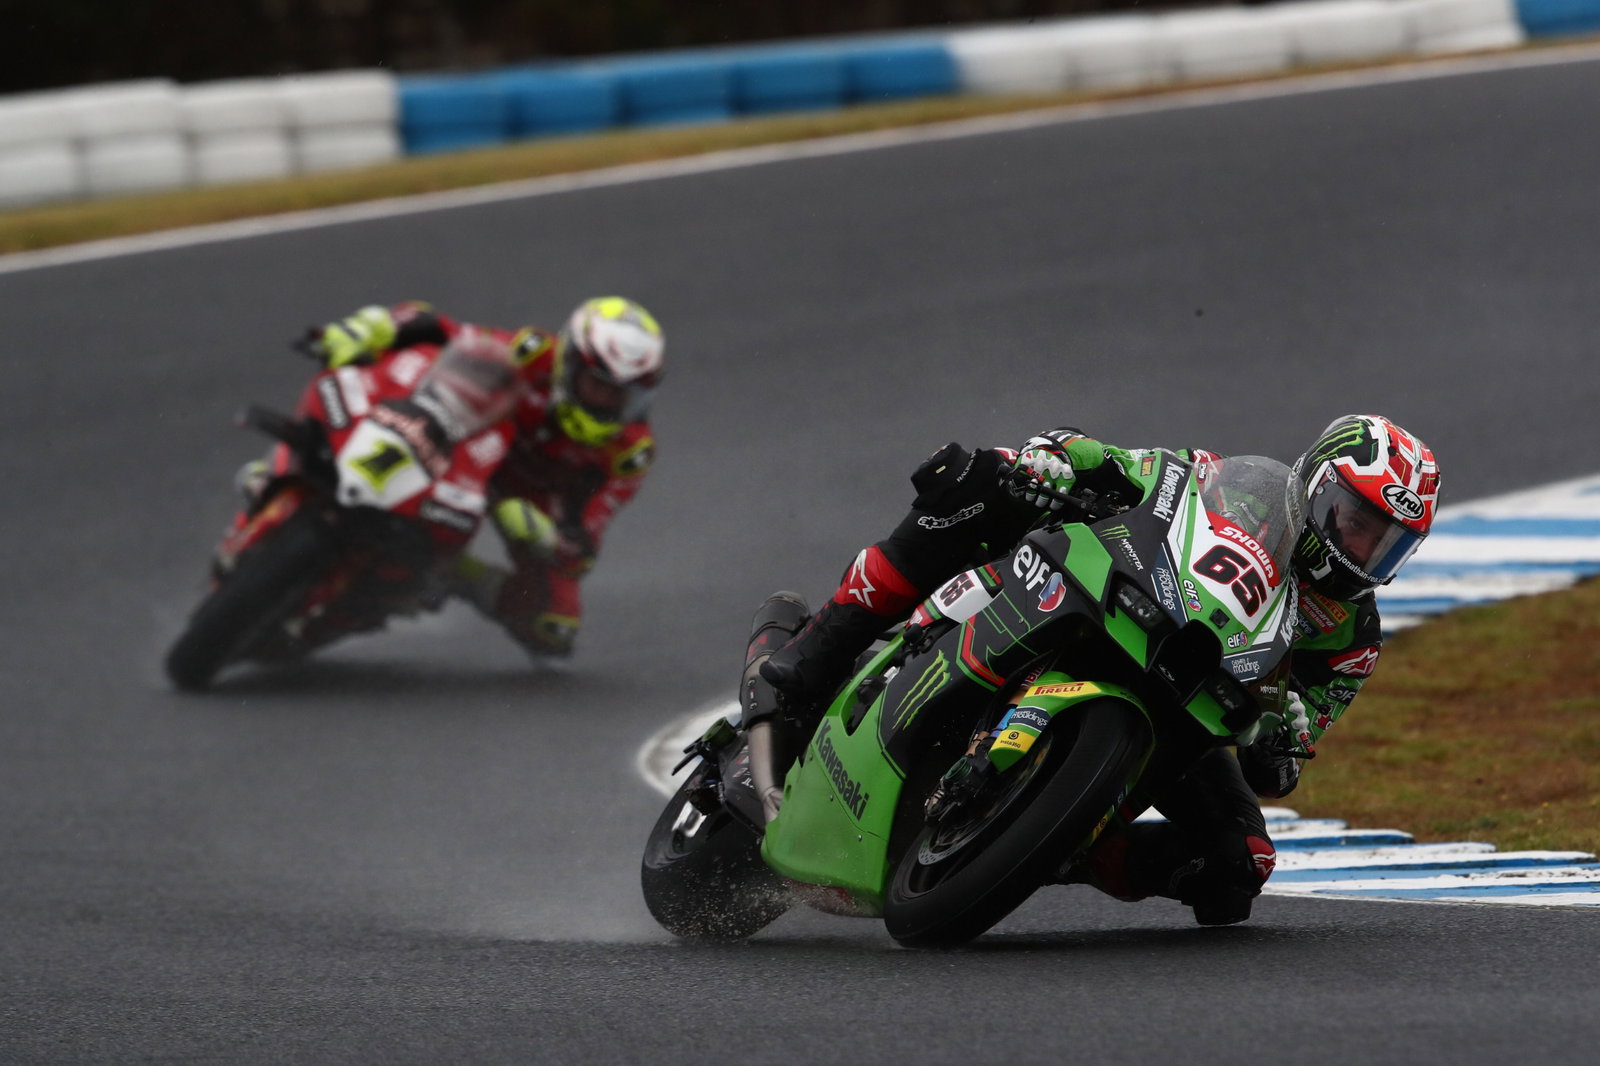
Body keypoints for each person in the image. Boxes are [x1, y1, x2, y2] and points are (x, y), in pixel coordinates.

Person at [757, 415, 1439, 925]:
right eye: (1355, 523)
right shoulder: (1239, 485)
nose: (1361, 551)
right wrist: (1054, 458)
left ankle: (1054, 847)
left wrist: (1288, 731)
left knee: (1241, 868)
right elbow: (1128, 465)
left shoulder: (1353, 635)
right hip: (1116, 597)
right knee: (974, 484)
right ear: (1317, 487)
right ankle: (816, 649)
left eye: (1386, 545)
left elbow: (1286, 764)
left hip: (1193, 697)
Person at [270, 295, 665, 657]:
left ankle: (453, 575)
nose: (607, 402)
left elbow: (584, 546)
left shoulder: (630, 453)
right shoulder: (534, 352)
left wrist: (547, 535)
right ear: (571, 363)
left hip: (528, 504)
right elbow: (445, 331)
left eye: (621, 395)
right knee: (413, 367)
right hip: (479, 444)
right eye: (597, 385)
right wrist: (371, 327)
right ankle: (301, 461)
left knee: (552, 625)